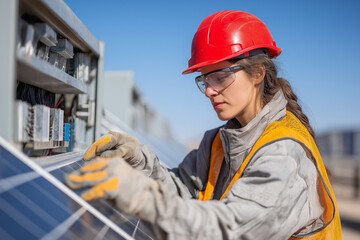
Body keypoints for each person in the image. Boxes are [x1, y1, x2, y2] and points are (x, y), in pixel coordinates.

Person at [65, 10, 342, 239]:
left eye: (220, 76)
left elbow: (231, 228)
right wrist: (139, 163)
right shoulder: (220, 144)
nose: (209, 91)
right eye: (204, 79)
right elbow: (181, 190)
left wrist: (146, 200)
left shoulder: (283, 152)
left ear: (258, 73)